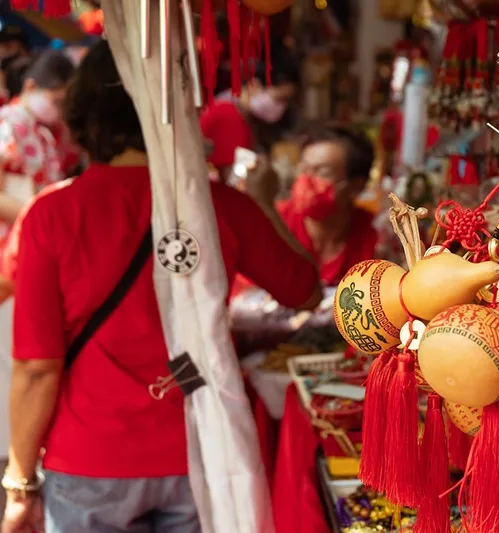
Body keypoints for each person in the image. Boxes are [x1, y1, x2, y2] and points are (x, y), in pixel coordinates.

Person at [1, 39, 320, 533]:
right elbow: (305, 291)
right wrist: (264, 202)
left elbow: (38, 368)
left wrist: (20, 483)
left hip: (90, 459)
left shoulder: (52, 215)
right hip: (200, 450)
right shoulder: (221, 206)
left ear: (84, 114)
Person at [278, 124, 378, 286]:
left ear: (356, 186)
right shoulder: (275, 221)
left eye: (323, 173)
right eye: (304, 170)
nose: (306, 180)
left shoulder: (376, 238)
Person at [0, 49, 78, 226]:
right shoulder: (6, 123)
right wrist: (39, 218)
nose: (60, 110)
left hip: (43, 232)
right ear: (30, 87)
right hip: (13, 239)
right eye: (56, 101)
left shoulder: (56, 130)